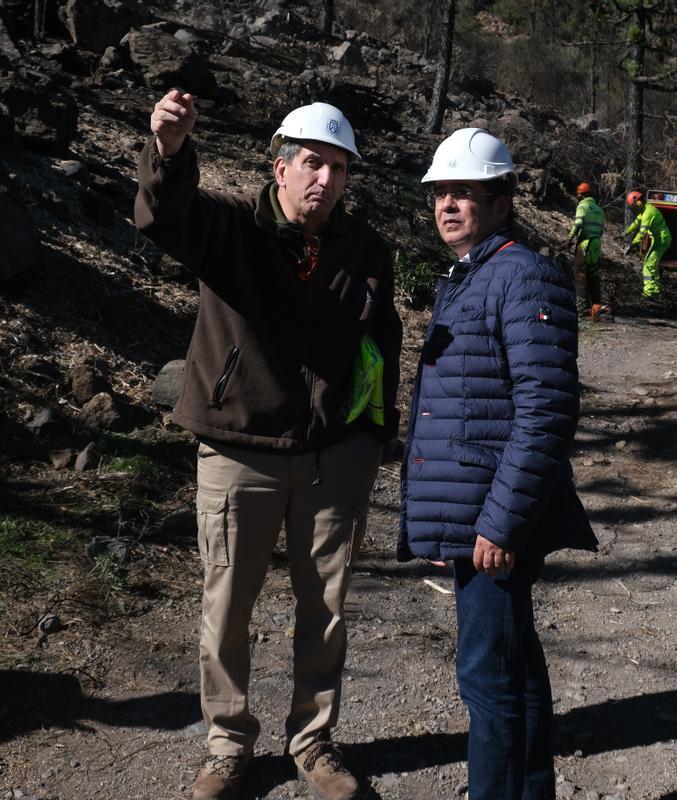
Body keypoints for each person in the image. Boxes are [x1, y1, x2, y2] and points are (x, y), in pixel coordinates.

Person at [135, 92, 402, 800]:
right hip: (239, 446)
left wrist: (376, 435)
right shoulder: (229, 229)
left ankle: (313, 741)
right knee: (227, 605)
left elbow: (384, 340)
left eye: (340, 169)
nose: (326, 180)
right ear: (279, 168)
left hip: (333, 455)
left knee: (328, 606)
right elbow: (165, 216)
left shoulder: (367, 248)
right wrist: (168, 152)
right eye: (313, 163)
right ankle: (228, 743)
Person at [398, 128, 597, 800]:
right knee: (511, 669)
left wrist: (500, 525)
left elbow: (545, 412)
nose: (448, 205)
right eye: (441, 193)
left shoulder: (522, 274)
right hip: (478, 519)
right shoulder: (469, 276)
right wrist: (447, 525)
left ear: (502, 199)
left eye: (466, 192)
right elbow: (463, 408)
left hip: (497, 524)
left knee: (490, 679)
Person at [566, 181, 607, 317]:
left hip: (585, 244)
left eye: (578, 195)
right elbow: (601, 231)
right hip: (596, 245)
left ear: (581, 195)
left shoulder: (583, 206)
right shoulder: (599, 210)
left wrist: (570, 239)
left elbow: (578, 223)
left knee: (580, 275)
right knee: (593, 275)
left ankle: (581, 308)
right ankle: (597, 305)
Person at [623, 189, 672, 298]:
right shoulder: (645, 210)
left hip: (662, 241)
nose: (633, 209)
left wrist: (632, 244)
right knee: (651, 263)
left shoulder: (648, 213)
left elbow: (642, 232)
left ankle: (649, 292)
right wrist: (625, 233)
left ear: (638, 202)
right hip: (659, 240)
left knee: (648, 264)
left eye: (633, 206)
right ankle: (657, 289)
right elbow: (635, 223)